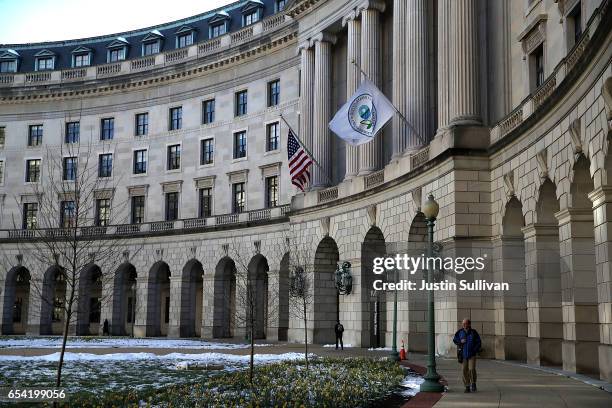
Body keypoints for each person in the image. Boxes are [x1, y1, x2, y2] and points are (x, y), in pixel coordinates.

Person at [453, 318, 481, 393]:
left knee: (471, 369)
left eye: (465, 323)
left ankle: (473, 383)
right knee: (464, 370)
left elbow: (479, 342)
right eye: (463, 324)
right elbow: (455, 340)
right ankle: (467, 386)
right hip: (463, 354)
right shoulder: (460, 332)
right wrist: (460, 342)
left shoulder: (473, 332)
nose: (464, 325)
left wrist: (474, 350)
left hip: (472, 355)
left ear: (469, 324)